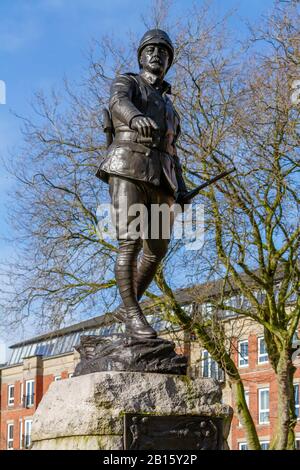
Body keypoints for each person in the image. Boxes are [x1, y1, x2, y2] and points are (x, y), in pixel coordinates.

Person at [96, 29, 189, 339]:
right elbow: (117, 102)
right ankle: (134, 314)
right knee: (130, 241)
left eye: (162, 53)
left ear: (168, 62)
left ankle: (127, 306)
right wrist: (135, 117)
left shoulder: (171, 110)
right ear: (140, 56)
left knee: (157, 249)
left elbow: (173, 153)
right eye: (150, 50)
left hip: (162, 179)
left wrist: (183, 188)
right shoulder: (129, 82)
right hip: (128, 165)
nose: (156, 55)